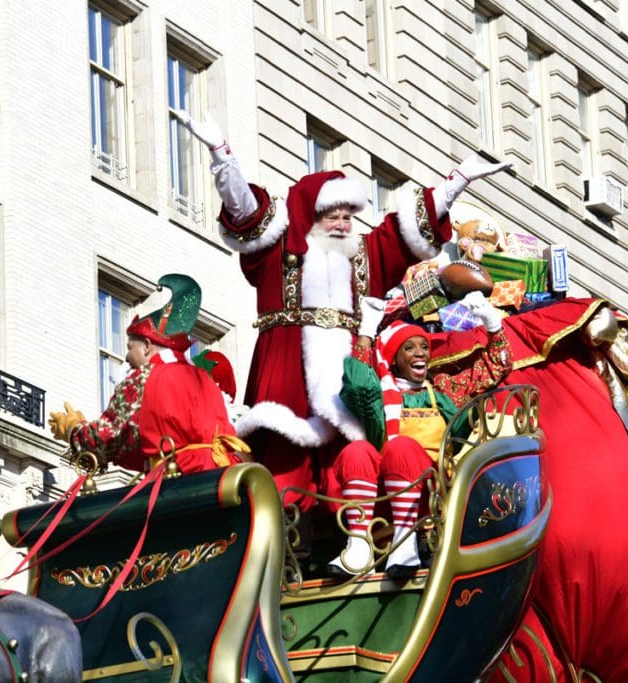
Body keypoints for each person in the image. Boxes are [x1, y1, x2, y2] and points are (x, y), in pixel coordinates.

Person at [176, 111, 513, 513]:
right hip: (286, 382)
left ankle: (356, 535)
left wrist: (459, 179)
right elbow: (243, 209)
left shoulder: (366, 253)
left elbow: (414, 223)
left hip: (346, 384)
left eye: (347, 216)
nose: (341, 224)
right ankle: (285, 535)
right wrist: (221, 153)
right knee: (284, 472)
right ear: (311, 215)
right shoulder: (278, 250)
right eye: (331, 215)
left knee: (352, 463)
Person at [331, 291, 510, 579]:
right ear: (395, 359)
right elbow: (356, 385)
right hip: (385, 495)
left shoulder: (443, 390)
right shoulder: (379, 397)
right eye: (410, 348)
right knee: (357, 450)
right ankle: (359, 545)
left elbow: (496, 366)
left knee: (401, 446)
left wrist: (492, 322)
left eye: (423, 347)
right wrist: (366, 331)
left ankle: (406, 545)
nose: (420, 354)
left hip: (434, 491)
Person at [48, 274, 248, 474]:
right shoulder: (203, 378)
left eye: (129, 347)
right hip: (216, 477)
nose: (126, 356)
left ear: (146, 346)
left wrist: (72, 429)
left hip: (176, 481)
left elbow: (107, 435)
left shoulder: (144, 378)